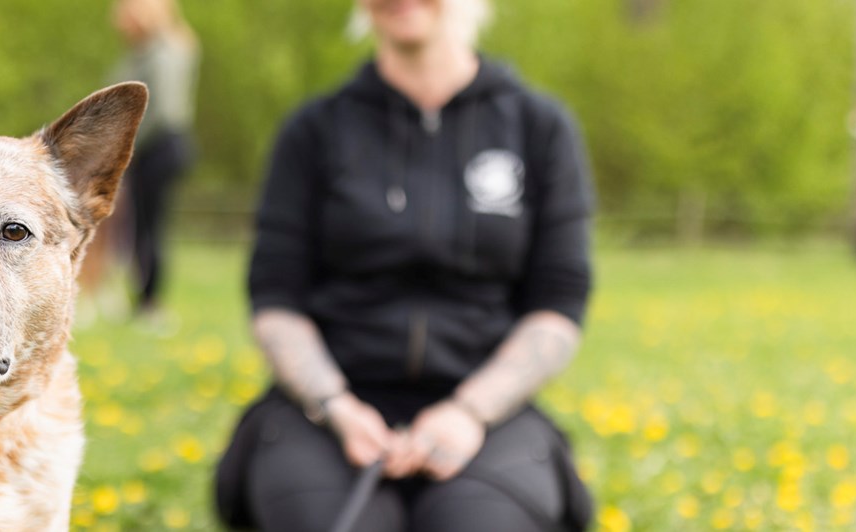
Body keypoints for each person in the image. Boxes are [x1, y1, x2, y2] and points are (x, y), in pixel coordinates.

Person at [213, 0, 596, 530]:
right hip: (325, 412)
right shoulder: (313, 130)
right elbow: (276, 296)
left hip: (489, 413)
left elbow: (558, 301)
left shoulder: (539, 126)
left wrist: (469, 411)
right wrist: (335, 405)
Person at [104, 0, 199, 320]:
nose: (118, 22)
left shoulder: (166, 51)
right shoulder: (145, 50)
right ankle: (142, 301)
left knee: (148, 227)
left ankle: (150, 304)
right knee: (139, 225)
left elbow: (160, 112)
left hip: (157, 146)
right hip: (149, 146)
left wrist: (121, 150)